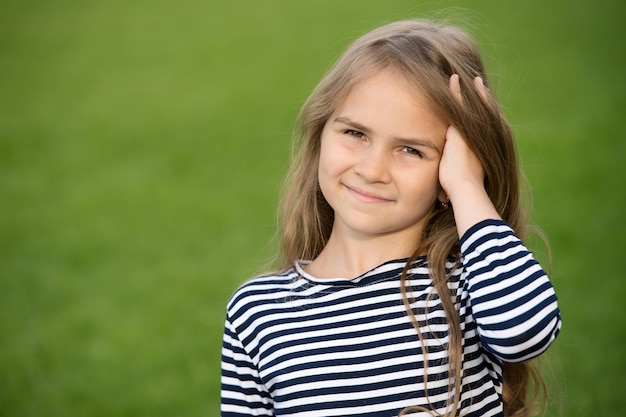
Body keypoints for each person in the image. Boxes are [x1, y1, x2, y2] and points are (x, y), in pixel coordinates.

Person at [220, 19, 561, 417]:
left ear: (448, 171)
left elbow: (525, 332)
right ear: (321, 134)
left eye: (411, 150)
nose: (372, 169)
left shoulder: (466, 287)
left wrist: (467, 185)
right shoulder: (259, 313)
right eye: (355, 133)